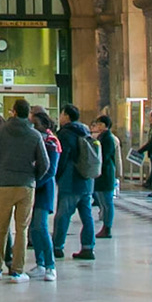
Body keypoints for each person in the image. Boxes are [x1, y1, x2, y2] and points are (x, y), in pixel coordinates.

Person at [0, 98, 48, 281]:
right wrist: (33, 177)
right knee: (21, 229)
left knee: (0, 229)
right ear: (27, 114)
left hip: (4, 185)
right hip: (26, 186)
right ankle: (18, 270)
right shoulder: (34, 135)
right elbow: (45, 163)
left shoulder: (0, 130)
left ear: (13, 112)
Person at [51, 104, 98, 260]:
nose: (60, 117)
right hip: (86, 180)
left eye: (62, 114)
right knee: (87, 216)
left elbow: (62, 157)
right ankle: (88, 247)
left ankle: (57, 246)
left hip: (70, 180)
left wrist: (57, 176)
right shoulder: (85, 131)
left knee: (63, 215)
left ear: (67, 116)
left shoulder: (65, 133)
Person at [28, 110, 62, 281]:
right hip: (33, 187)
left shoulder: (51, 141)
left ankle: (50, 265)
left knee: (41, 226)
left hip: (43, 189)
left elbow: (51, 170)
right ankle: (40, 262)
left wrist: (36, 183)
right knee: (33, 228)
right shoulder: (35, 139)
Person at [92, 115, 122, 237]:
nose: (98, 126)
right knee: (103, 202)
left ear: (105, 125)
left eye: (100, 124)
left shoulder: (108, 139)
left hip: (106, 173)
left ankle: (107, 227)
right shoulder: (102, 137)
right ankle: (105, 225)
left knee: (107, 202)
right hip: (102, 174)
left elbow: (105, 155)